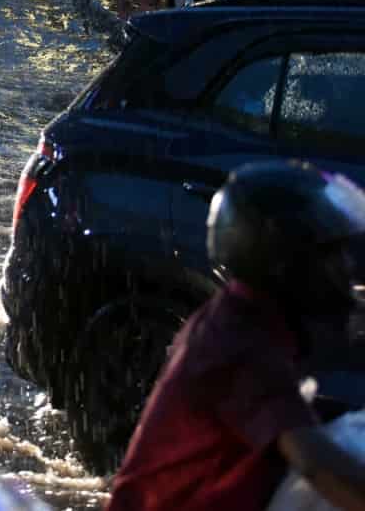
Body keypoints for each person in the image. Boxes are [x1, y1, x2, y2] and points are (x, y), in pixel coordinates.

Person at [107, 160, 365, 511]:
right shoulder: (239, 341)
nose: (346, 268)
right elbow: (314, 462)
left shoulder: (246, 318)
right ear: (288, 263)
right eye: (330, 253)